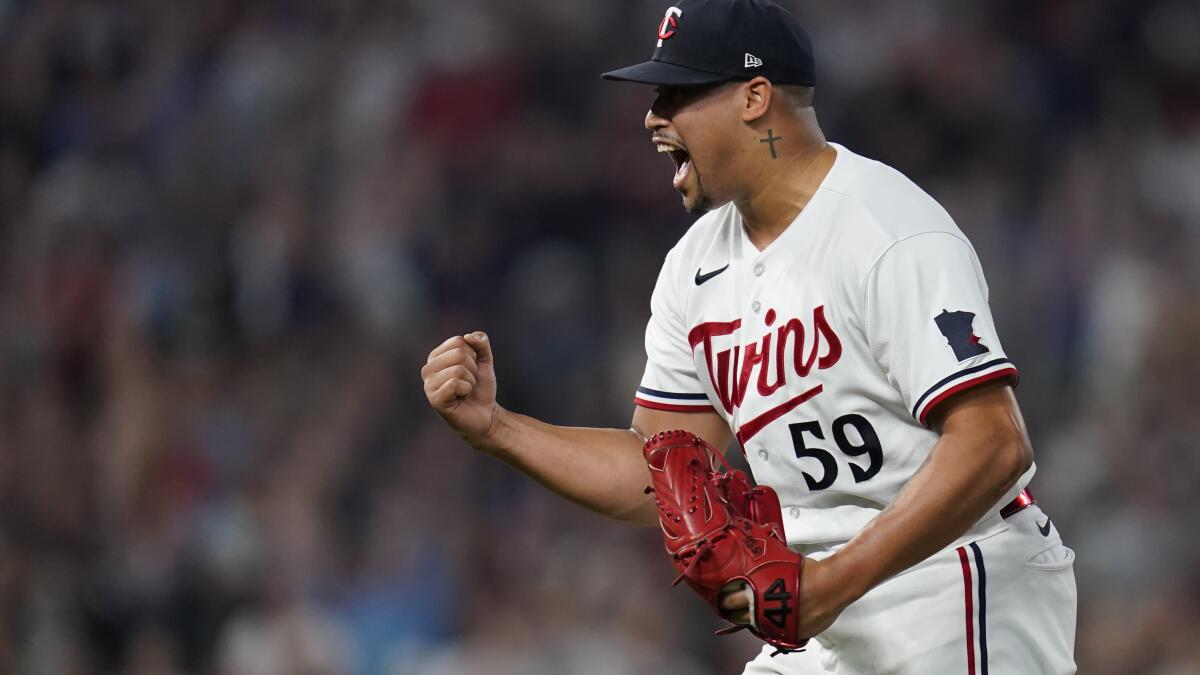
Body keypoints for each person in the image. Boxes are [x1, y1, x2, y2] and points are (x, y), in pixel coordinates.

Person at [420, 0, 1077, 672]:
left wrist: (834, 582)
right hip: (822, 605)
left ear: (755, 98)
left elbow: (995, 443)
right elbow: (659, 464)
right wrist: (498, 428)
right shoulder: (695, 267)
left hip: (959, 580)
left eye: (678, 94)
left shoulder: (885, 226)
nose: (653, 117)